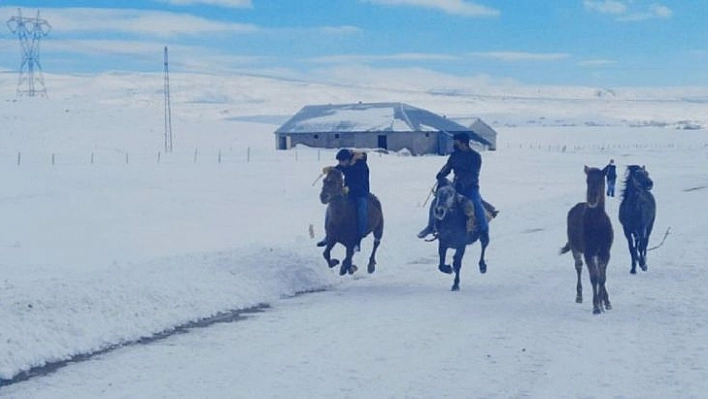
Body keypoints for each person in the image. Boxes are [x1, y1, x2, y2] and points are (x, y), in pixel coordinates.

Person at [417, 132, 495, 242]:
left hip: (470, 188)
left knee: (476, 204)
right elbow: (448, 166)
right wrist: (441, 174)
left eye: (456, 142)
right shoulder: (455, 155)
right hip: (454, 186)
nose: (454, 144)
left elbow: (473, 174)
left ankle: (483, 230)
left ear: (464, 143)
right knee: (437, 201)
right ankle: (430, 226)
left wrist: (462, 184)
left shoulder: (475, 157)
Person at [316, 149, 370, 251]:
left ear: (348, 160)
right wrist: (330, 169)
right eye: (339, 161)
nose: (340, 163)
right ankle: (328, 236)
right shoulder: (346, 164)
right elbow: (338, 169)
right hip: (346, 191)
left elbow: (361, 182)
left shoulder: (361, 166)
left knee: (361, 211)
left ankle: (358, 240)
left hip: (360, 192)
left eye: (342, 161)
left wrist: (349, 188)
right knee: (331, 207)